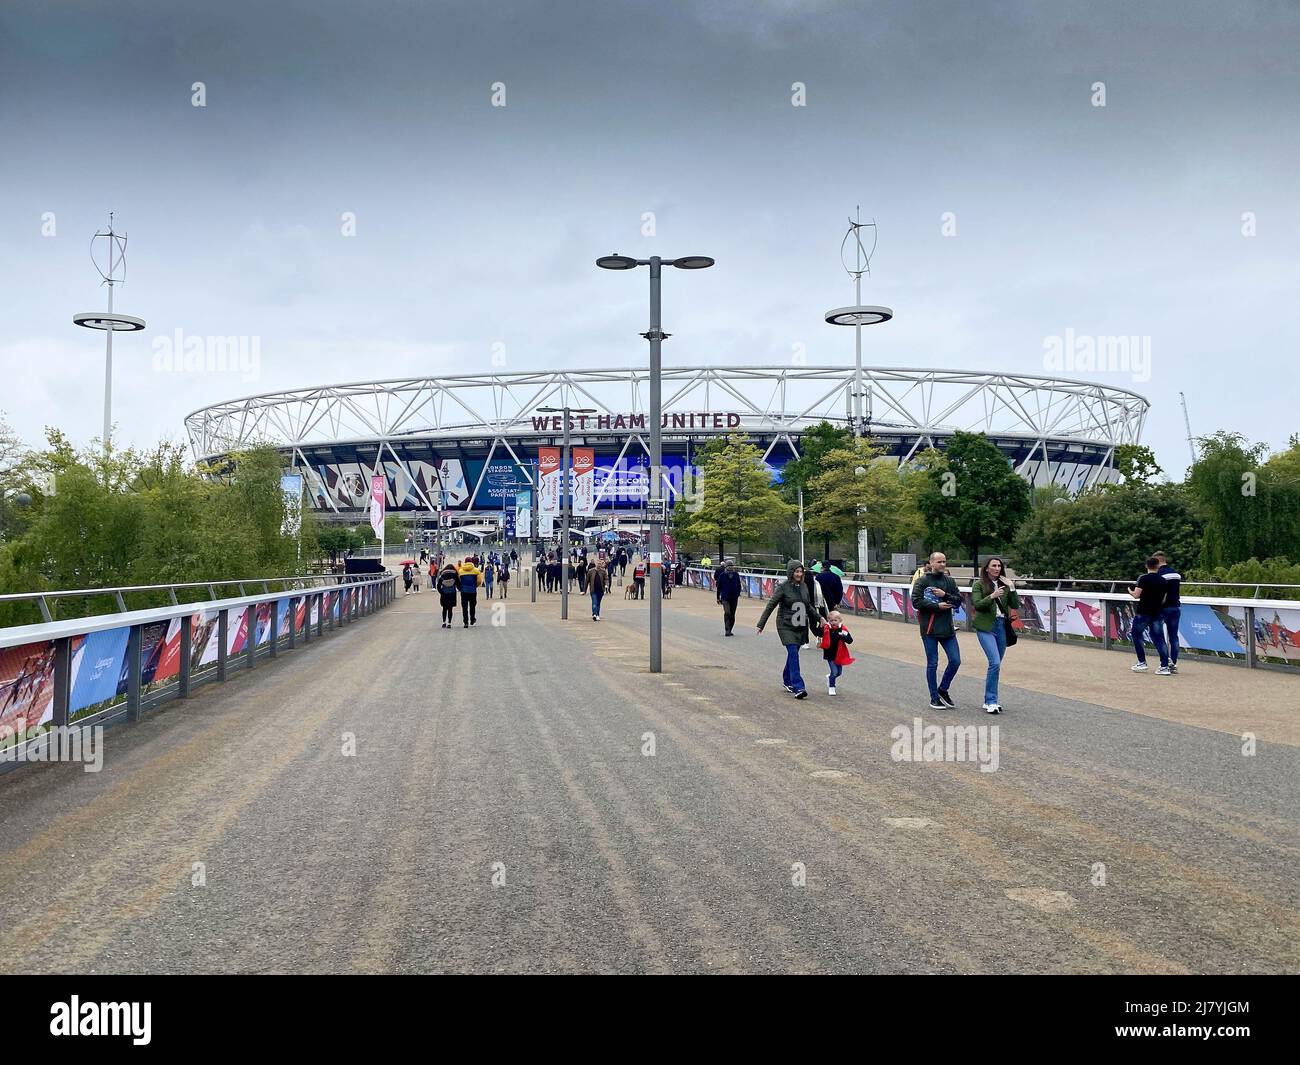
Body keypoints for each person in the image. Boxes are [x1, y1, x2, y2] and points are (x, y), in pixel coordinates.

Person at [756, 561, 819, 699]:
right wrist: (761, 624)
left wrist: (821, 619)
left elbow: (808, 606)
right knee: (793, 653)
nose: (799, 574)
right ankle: (799, 687)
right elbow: (771, 605)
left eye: (801, 571)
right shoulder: (783, 587)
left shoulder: (804, 586)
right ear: (791, 572)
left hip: (800, 624)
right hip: (785, 625)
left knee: (793, 654)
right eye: (796, 571)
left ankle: (787, 680)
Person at [912, 551, 962, 710]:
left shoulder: (949, 581)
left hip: (947, 628)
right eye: (939, 562)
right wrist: (936, 606)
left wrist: (945, 595)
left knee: (955, 661)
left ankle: (943, 689)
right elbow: (916, 602)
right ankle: (934, 697)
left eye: (944, 562)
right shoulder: (922, 581)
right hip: (929, 628)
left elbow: (958, 601)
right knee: (932, 663)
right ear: (931, 563)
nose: (942, 564)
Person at [971, 556, 1020, 714]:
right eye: (994, 565)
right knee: (995, 663)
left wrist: (1011, 588)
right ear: (987, 568)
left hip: (1001, 627)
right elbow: (977, 604)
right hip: (986, 627)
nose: (997, 568)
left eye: (999, 566)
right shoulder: (978, 584)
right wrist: (992, 596)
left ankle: (990, 700)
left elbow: (1015, 605)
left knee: (996, 666)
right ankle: (991, 701)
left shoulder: (1004, 585)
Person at [1128, 557, 1171, 674]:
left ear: (1146, 566)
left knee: (1136, 635)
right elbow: (1163, 599)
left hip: (1143, 612)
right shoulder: (1163, 581)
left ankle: (1142, 662)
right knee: (1159, 638)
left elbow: (1136, 595)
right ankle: (1164, 666)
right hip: (1157, 613)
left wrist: (1130, 591)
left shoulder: (1143, 579)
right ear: (1158, 566)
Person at [1154, 551, 1182, 674]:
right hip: (1175, 607)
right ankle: (1173, 663)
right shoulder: (1176, 574)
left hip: (1163, 608)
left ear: (1157, 561)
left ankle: (1165, 662)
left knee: (1158, 636)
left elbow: (1161, 593)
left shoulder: (1159, 575)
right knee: (1174, 637)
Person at [820, 610, 855, 696]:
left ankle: (830, 677)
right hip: (830, 654)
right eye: (831, 620)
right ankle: (832, 687)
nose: (833, 622)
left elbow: (850, 640)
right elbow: (820, 634)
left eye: (835, 620)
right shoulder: (826, 628)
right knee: (835, 672)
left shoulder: (843, 629)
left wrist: (843, 636)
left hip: (839, 654)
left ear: (840, 620)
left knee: (839, 673)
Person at [715, 559, 742, 636]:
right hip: (725, 597)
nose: (730, 567)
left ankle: (730, 629)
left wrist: (737, 593)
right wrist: (718, 597)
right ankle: (727, 629)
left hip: (734, 597)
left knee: (732, 614)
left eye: (731, 566)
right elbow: (719, 587)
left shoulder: (736, 575)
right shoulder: (722, 575)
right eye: (728, 566)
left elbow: (739, 585)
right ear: (726, 567)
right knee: (727, 612)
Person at [457, 556, 483, 627]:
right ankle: (472, 619)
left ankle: (465, 622)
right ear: (472, 562)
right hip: (472, 591)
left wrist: (461, 588)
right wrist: (475, 586)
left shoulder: (461, 571)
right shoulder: (476, 570)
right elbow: (479, 581)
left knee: (464, 607)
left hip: (464, 591)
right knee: (472, 606)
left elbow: (458, 581)